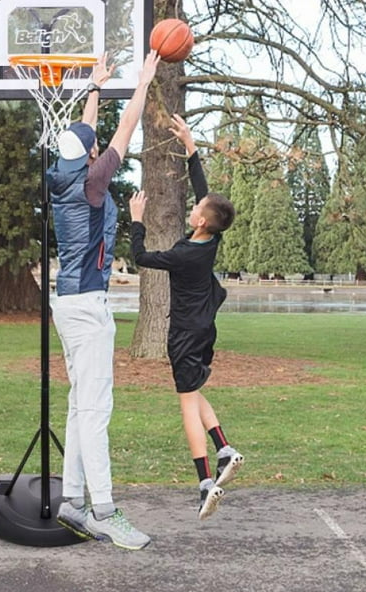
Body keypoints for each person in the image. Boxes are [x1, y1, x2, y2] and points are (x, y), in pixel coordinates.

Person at [47, 50, 160, 551]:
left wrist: (94, 87)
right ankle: (105, 512)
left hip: (67, 303)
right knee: (95, 411)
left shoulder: (65, 177)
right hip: (88, 307)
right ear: (92, 158)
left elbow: (88, 136)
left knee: (78, 406)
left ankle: (72, 501)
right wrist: (143, 82)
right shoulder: (94, 181)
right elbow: (126, 127)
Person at [128, 113, 243, 520]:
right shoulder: (210, 238)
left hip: (184, 333)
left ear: (198, 221)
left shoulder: (183, 255)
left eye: (196, 207)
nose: (196, 204)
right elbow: (205, 192)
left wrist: (137, 221)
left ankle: (205, 482)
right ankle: (225, 448)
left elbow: (141, 257)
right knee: (193, 391)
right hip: (202, 330)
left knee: (185, 405)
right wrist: (191, 147)